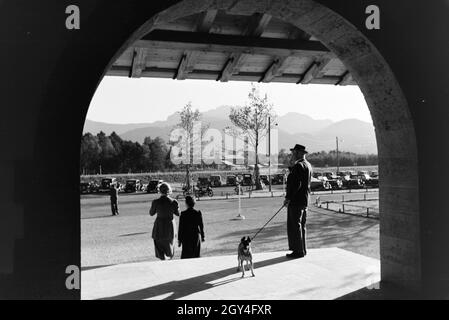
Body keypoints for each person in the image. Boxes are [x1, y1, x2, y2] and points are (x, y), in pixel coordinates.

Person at [284, 144, 313, 258]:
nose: (292, 155)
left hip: (296, 201)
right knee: (301, 226)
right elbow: (299, 179)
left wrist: (288, 198)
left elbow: (295, 184)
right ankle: (302, 249)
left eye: (293, 153)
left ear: (297, 153)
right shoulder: (307, 165)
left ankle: (298, 251)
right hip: (304, 200)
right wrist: (291, 168)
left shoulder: (298, 166)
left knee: (294, 226)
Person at [149, 182, 180, 260]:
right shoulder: (174, 202)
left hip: (159, 225)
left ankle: (162, 259)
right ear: (168, 190)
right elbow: (178, 214)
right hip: (170, 225)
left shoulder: (155, 202)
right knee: (170, 245)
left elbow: (151, 213)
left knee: (158, 245)